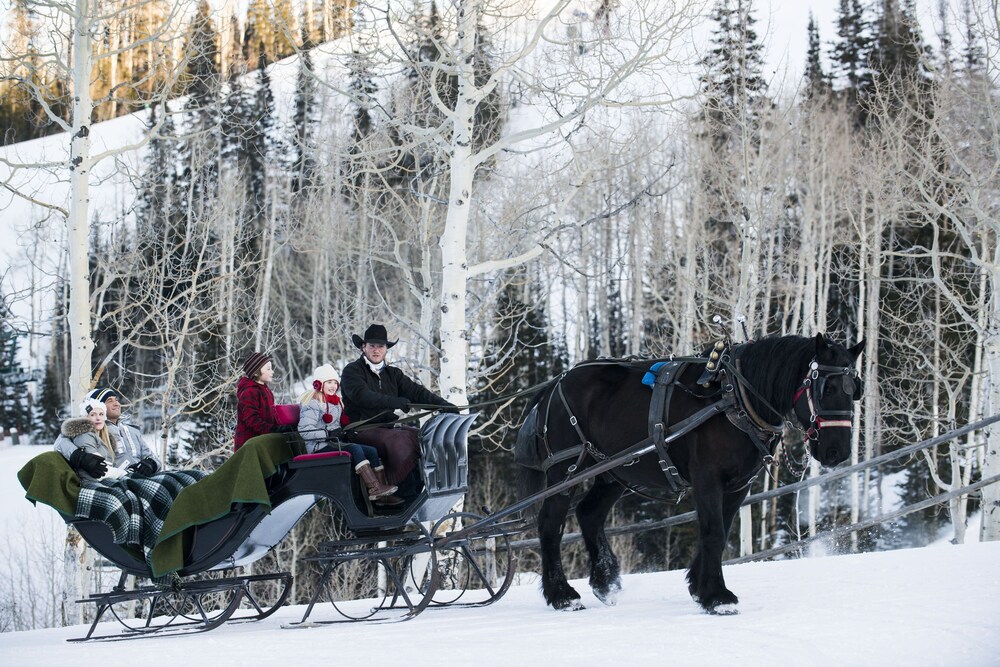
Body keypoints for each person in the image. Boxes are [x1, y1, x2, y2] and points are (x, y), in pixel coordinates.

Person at [340, 324, 455, 500]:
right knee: (400, 440)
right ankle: (401, 491)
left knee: (424, 437)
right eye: (372, 346)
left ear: (386, 349)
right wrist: (394, 402)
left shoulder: (393, 374)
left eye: (380, 346)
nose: (376, 350)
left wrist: (444, 405)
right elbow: (362, 396)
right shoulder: (351, 371)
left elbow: (417, 392)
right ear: (363, 347)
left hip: (386, 428)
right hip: (359, 429)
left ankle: (418, 489)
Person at [297, 364, 402, 505]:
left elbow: (338, 425)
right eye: (329, 382)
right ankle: (374, 488)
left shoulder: (336, 403)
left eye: (335, 382)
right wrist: (327, 433)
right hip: (319, 446)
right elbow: (304, 430)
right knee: (355, 449)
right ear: (319, 384)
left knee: (371, 451)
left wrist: (346, 432)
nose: (333, 386)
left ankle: (381, 496)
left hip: (334, 441)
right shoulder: (313, 404)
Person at [85, 387, 159, 476]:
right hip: (119, 481)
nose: (116, 404)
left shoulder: (133, 431)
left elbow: (154, 459)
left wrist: (151, 464)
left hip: (145, 478)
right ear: (99, 407)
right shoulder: (95, 432)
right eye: (110, 401)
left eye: (116, 400)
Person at [54, 398, 129, 482]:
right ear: (86, 418)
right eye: (93, 414)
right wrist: (124, 473)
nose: (98, 418)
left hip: (107, 479)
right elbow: (101, 470)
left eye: (101, 414)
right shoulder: (84, 436)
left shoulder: (106, 437)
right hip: (93, 482)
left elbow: (111, 464)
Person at [234, 351, 278, 451]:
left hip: (263, 441)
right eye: (268, 369)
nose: (272, 371)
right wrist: (272, 429)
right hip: (249, 445)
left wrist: (281, 425)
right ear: (256, 372)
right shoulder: (249, 392)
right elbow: (251, 420)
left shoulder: (266, 390)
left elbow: (271, 414)